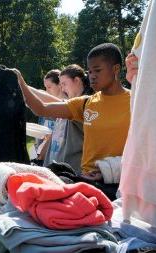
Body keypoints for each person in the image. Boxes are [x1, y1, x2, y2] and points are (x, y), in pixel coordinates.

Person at [15, 43, 130, 196]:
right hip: (87, 182)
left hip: (121, 185)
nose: (92, 76)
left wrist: (108, 171)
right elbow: (41, 108)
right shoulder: (85, 103)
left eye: (97, 70)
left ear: (115, 69)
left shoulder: (136, 102)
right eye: (89, 71)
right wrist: (20, 83)